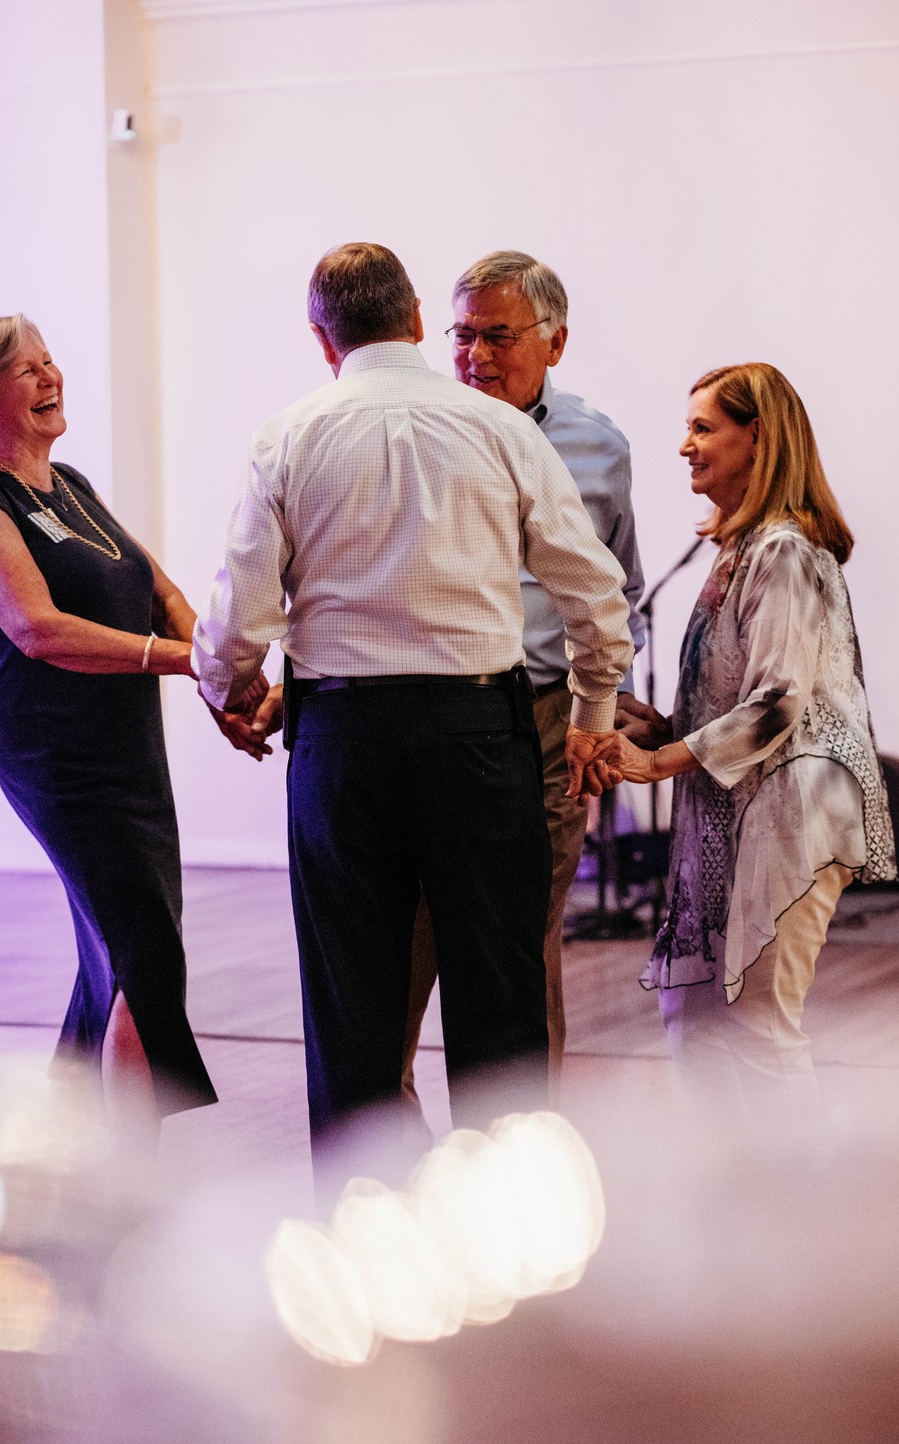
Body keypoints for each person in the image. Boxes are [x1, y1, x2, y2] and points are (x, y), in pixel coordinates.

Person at [192, 244, 632, 1154]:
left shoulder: (288, 436)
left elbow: (242, 612)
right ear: (422, 320)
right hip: (480, 735)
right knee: (500, 996)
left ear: (323, 338)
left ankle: (364, 1217)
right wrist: (593, 718)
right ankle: (509, 1219)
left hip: (342, 740)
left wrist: (225, 686)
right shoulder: (502, 431)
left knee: (353, 1001)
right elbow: (596, 595)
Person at [609, 362, 895, 1119]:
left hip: (793, 814)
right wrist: (659, 726)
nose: (685, 446)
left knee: (758, 1022)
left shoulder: (785, 552)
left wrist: (659, 761)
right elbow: (738, 698)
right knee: (693, 1015)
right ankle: (727, 1180)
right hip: (740, 809)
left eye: (703, 428)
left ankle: (799, 1187)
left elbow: (776, 704)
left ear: (758, 438)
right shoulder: (740, 550)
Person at [400, 250, 648, 1091]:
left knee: (525, 935)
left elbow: (621, 585)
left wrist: (602, 706)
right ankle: (387, 1126)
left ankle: (522, 1132)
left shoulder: (598, 445)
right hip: (437, 712)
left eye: (498, 336)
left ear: (555, 342)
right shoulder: (416, 428)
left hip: (548, 723)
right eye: (462, 335)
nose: (475, 356)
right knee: (411, 928)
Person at [0, 315, 220, 1139]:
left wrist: (220, 671)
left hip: (131, 754)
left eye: (50, 362)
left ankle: (69, 1158)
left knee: (116, 958)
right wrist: (184, 661)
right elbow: (36, 629)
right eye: (27, 370)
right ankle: (127, 1178)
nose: (51, 377)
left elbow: (158, 588)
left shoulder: (71, 484)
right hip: (60, 759)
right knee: (141, 958)